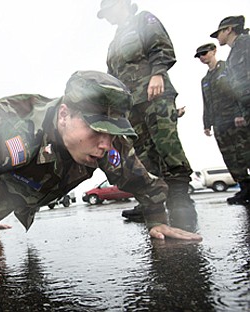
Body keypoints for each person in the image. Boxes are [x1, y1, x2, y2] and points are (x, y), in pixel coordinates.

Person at [0, 70, 201, 295]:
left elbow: (140, 180)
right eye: (97, 130)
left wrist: (157, 221)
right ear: (65, 114)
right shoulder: (14, 124)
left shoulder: (109, 143)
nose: (106, 144)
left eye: (113, 133)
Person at [97, 0, 197, 224]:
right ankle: (153, 202)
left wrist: (158, 73)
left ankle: (180, 199)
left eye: (108, 12)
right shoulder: (114, 42)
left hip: (155, 95)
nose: (108, 18)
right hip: (131, 105)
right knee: (143, 152)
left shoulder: (143, 20)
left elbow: (161, 46)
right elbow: (112, 76)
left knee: (166, 144)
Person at [195, 42, 250, 205]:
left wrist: (240, 113)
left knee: (245, 152)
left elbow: (238, 91)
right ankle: (245, 188)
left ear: (214, 51)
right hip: (219, 124)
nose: (202, 57)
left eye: (204, 53)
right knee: (230, 157)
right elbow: (206, 102)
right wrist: (207, 123)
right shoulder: (205, 79)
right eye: (199, 56)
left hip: (235, 120)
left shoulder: (227, 68)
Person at [210, 15, 250, 205]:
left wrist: (238, 112)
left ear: (229, 29)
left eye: (219, 32)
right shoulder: (236, 50)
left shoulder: (246, 43)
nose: (217, 36)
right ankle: (246, 188)